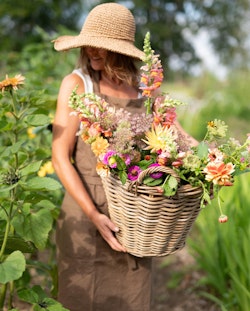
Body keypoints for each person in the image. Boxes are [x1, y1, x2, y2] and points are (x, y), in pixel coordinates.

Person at [52, 3, 197, 311]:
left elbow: (181, 139)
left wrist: (216, 159)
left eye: (102, 47)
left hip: (135, 216)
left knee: (132, 299)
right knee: (81, 297)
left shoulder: (146, 90)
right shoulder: (79, 84)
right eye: (89, 44)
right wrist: (94, 215)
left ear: (120, 51)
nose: (92, 51)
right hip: (85, 211)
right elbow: (60, 156)